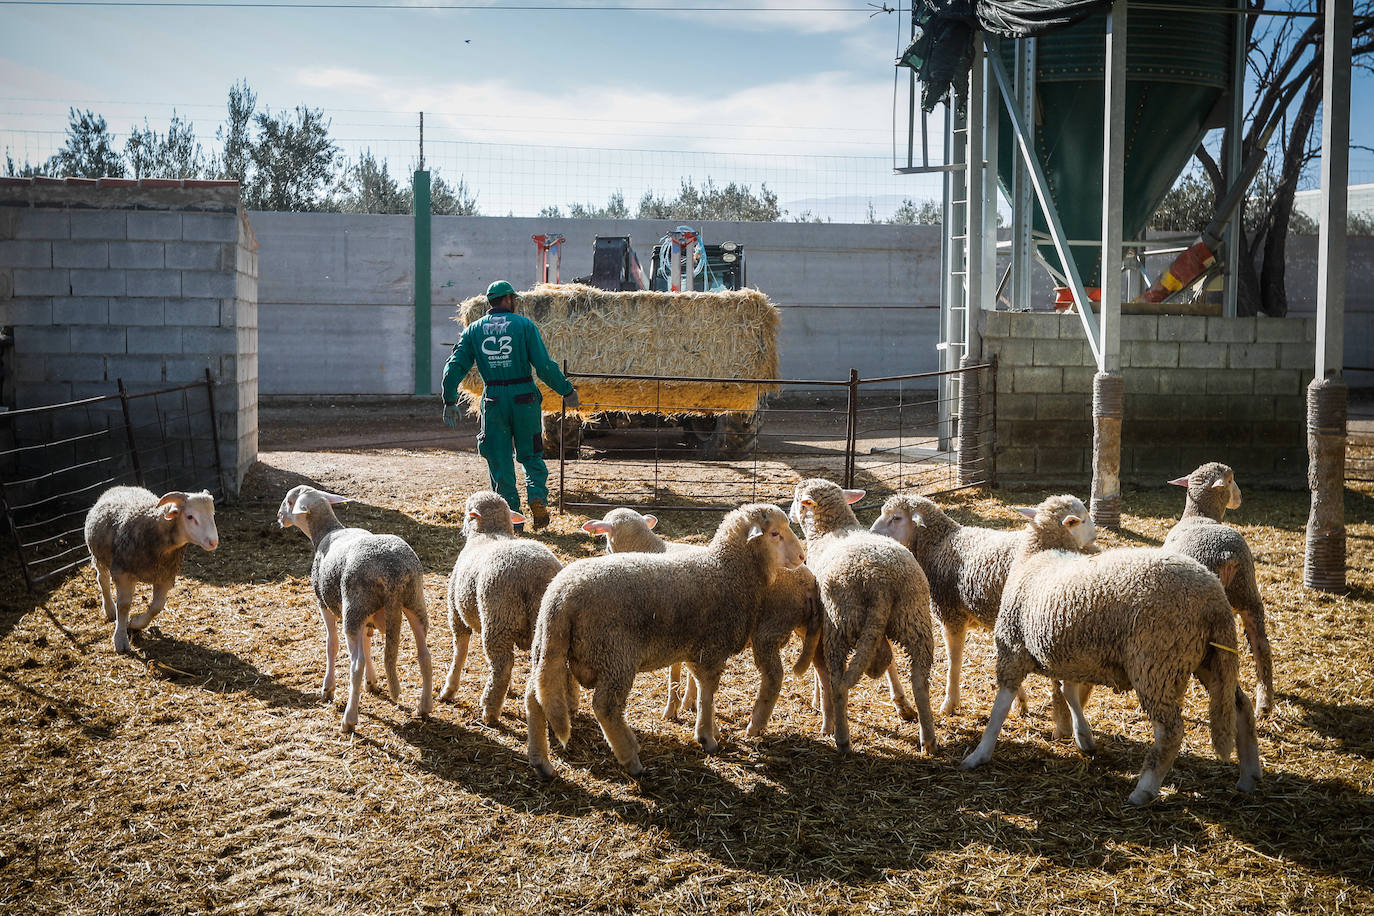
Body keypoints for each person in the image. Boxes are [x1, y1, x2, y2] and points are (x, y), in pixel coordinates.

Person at [441, 280, 578, 530]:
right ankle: (537, 496)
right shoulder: (524, 325)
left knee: (500, 459)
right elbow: (544, 366)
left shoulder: (473, 330)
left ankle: (513, 518)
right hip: (524, 396)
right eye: (513, 299)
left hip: (493, 398)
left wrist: (449, 399)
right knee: (531, 455)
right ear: (507, 300)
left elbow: (454, 367)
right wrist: (566, 390)